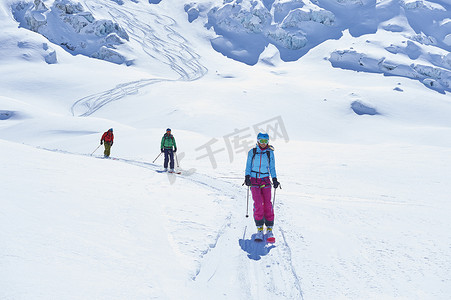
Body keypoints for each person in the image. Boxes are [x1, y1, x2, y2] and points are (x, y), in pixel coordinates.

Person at [244, 132, 280, 242]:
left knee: (268, 204)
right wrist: (247, 177)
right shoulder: (252, 152)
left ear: (268, 141)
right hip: (254, 180)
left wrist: (274, 179)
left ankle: (269, 229)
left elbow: (272, 167)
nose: (263, 143)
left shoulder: (270, 153)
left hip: (265, 179)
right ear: (257, 141)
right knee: (258, 204)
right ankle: (259, 229)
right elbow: (248, 165)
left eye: (265, 141)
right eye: (261, 141)